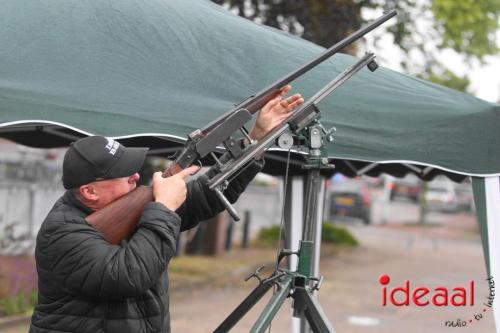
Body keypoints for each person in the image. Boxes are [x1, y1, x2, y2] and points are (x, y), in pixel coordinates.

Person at [29, 86, 303, 333]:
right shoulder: (62, 234)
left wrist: (253, 142)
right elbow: (129, 276)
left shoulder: (131, 209)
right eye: (124, 175)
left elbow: (209, 195)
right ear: (90, 191)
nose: (136, 177)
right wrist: (163, 207)